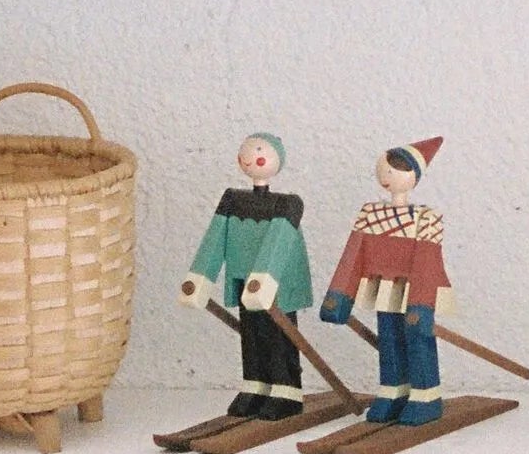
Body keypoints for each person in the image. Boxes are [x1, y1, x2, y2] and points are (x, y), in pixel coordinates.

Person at [180, 130, 314, 418]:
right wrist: (200, 277)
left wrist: (265, 276)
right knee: (251, 334)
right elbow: (215, 238)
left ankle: (286, 390)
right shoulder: (232, 200)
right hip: (244, 279)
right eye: (247, 153)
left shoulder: (288, 205)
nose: (251, 159)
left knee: (278, 334)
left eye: (259, 153)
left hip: (275, 283)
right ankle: (255, 385)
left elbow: (278, 242)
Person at [320, 139, 451, 425]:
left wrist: (421, 303)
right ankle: (393, 390)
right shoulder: (370, 214)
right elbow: (354, 254)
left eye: (396, 169)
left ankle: (426, 395)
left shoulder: (426, 219)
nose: (387, 175)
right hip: (383, 288)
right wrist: (339, 294)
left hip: (414, 289)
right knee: (389, 337)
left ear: (413, 176)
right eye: (385, 169)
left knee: (418, 339)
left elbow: (427, 262)